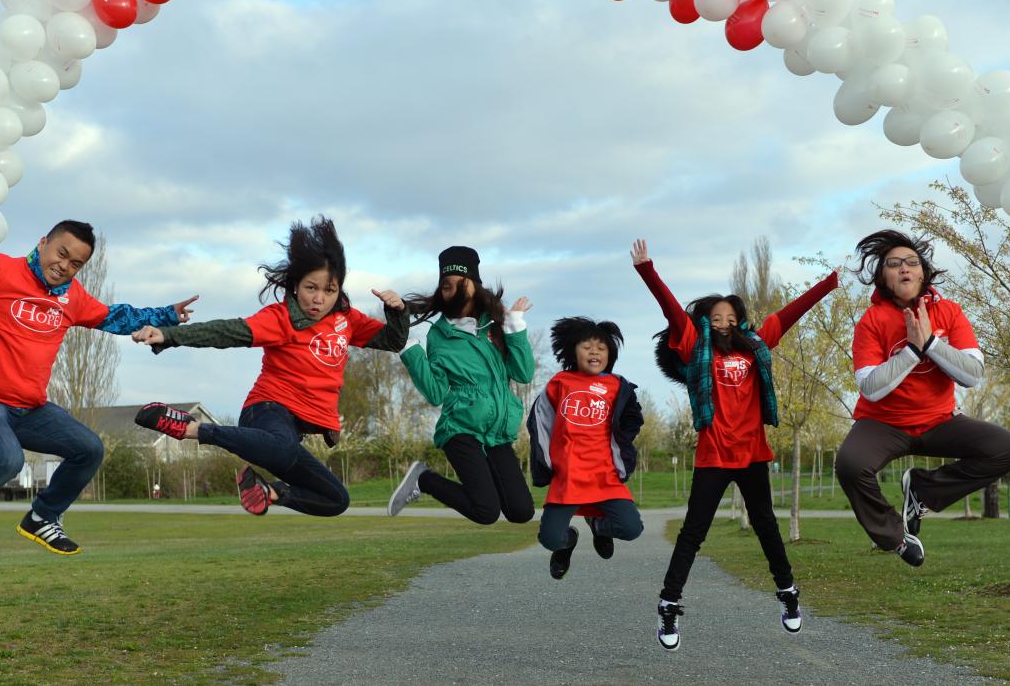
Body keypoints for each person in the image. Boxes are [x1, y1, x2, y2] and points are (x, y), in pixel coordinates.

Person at [0, 221, 196, 556]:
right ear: (43, 242)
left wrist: (166, 315)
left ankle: (42, 517)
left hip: (29, 409)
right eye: (61, 254)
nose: (64, 266)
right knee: (7, 460)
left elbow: (115, 316)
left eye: (76, 264)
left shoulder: (73, 298)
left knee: (89, 448)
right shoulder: (0, 271)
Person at [631, 239, 837, 650]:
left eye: (731, 316)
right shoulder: (694, 346)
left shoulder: (755, 345)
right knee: (694, 531)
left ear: (739, 320)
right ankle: (669, 605)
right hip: (713, 455)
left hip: (751, 454)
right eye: (717, 316)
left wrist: (829, 284)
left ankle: (788, 593)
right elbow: (672, 310)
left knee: (766, 526)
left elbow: (789, 315)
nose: (724, 322)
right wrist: (647, 270)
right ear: (707, 321)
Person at [132, 217, 407, 517]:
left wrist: (397, 312)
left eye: (329, 290)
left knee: (335, 499)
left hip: (287, 435)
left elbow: (392, 341)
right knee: (284, 447)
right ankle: (190, 428)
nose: (319, 299)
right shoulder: (280, 318)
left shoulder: (347, 320)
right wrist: (169, 335)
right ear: (295, 285)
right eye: (310, 287)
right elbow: (228, 332)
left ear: (339, 290)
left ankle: (269, 491)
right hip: (266, 412)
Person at [837, 229, 1010, 567]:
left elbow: (972, 375)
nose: (904, 268)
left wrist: (932, 344)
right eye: (894, 264)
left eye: (911, 262)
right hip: (883, 424)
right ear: (884, 276)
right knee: (850, 465)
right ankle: (895, 537)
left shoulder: (949, 312)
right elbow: (871, 388)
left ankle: (923, 491)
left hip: (939, 421)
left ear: (923, 272)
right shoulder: (872, 321)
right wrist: (912, 349)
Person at [385, 246, 536, 526]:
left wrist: (515, 325)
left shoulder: (496, 327)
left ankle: (459, 482)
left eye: (461, 284)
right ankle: (425, 479)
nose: (453, 291)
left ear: (475, 287)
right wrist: (408, 347)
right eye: (446, 286)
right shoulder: (441, 336)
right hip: (461, 428)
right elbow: (435, 393)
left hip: (497, 432)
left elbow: (524, 373)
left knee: (521, 511)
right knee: (486, 511)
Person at [527, 317, 644, 580]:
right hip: (568, 478)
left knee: (631, 529)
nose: (594, 352)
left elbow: (632, 419)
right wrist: (547, 463)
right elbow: (539, 420)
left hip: (604, 475)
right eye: (587, 346)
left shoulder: (617, 385)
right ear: (573, 351)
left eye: (601, 348)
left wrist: (622, 446)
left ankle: (600, 526)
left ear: (610, 355)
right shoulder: (560, 382)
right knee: (550, 539)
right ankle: (568, 543)